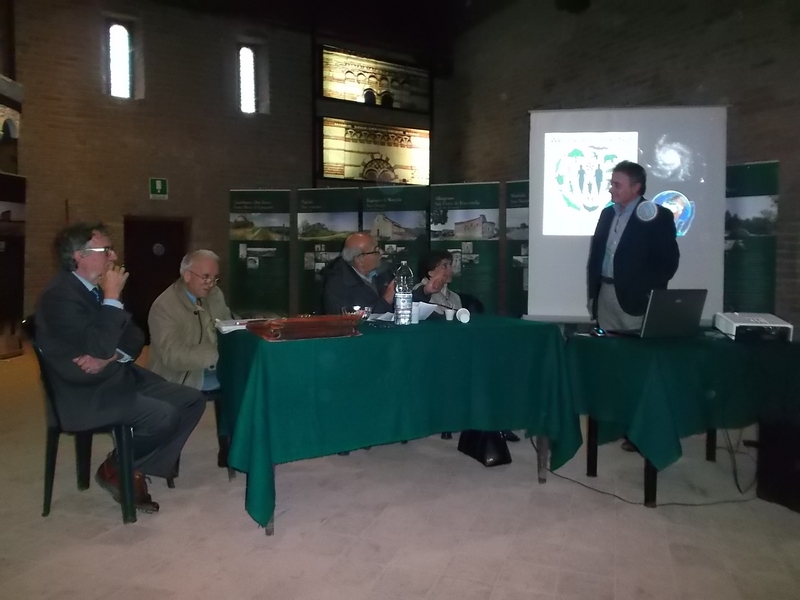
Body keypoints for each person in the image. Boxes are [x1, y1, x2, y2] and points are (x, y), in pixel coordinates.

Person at [35, 222, 206, 512]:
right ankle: (124, 469)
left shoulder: (94, 288)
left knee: (192, 401)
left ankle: (123, 467)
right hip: (84, 392)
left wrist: (109, 356)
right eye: (106, 250)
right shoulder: (59, 297)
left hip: (115, 374)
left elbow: (135, 336)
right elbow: (103, 342)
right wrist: (112, 298)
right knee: (163, 417)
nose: (113, 257)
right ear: (80, 255)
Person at [586, 161, 680, 451]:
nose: (611, 188)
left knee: (638, 370)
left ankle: (641, 433)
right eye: (611, 183)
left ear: (636, 187)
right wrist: (594, 292)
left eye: (617, 184)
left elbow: (668, 262)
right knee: (612, 367)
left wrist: (645, 289)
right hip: (606, 295)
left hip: (635, 301)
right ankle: (613, 425)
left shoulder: (656, 216)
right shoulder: (606, 214)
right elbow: (597, 255)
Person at [147, 250, 232, 468]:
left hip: (212, 366)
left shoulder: (214, 295)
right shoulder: (164, 306)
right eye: (205, 277)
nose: (210, 283)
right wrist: (217, 353)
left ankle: (233, 446)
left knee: (252, 377)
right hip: (179, 375)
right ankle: (231, 445)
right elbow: (172, 356)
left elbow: (227, 324)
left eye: (214, 278)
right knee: (239, 382)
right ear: (186, 275)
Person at [321, 232, 438, 315]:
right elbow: (349, 324)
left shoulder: (384, 273)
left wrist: (425, 291)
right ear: (359, 259)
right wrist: (385, 300)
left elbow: (403, 305)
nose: (382, 252)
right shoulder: (337, 285)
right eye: (376, 250)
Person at [413, 250, 462, 316]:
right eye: (444, 266)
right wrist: (426, 291)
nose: (451, 270)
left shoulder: (455, 297)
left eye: (450, 265)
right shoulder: (418, 293)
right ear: (430, 272)